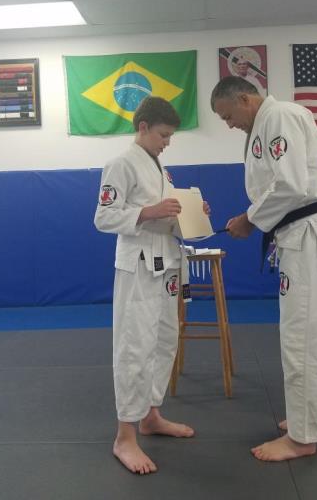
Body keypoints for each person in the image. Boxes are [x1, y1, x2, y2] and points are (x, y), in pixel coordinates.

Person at [210, 76, 317, 462]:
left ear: (244, 98)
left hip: (307, 235)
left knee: (301, 335)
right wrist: (254, 218)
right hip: (300, 234)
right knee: (315, 329)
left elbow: (290, 184)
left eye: (228, 115)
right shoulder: (266, 123)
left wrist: (250, 219)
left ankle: (303, 437)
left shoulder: (280, 116)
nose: (228, 124)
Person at [94, 96, 204, 475]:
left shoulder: (160, 168)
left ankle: (150, 414)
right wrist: (148, 212)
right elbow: (103, 217)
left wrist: (189, 214)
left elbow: (165, 217)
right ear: (143, 127)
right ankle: (124, 436)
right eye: (163, 135)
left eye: (170, 136)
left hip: (167, 264)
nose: (167, 142)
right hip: (138, 266)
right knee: (134, 346)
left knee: (164, 341)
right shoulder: (121, 164)